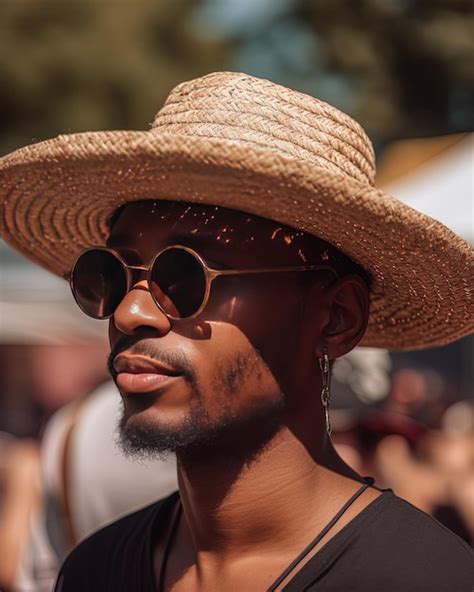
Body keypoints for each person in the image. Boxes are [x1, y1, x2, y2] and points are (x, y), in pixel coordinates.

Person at [1, 72, 473, 591]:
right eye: (109, 274)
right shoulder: (95, 570)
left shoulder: (424, 579)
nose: (130, 313)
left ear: (337, 318)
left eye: (184, 275)